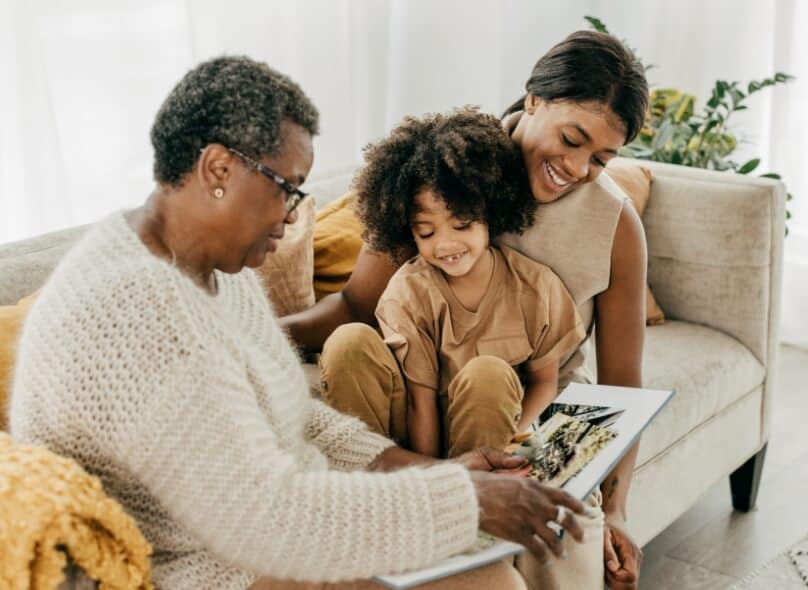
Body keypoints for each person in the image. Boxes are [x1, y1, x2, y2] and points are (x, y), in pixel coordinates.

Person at [9, 56, 588, 590]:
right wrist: (462, 500)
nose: (292, 217)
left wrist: (436, 474)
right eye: (287, 190)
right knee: (488, 582)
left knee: (512, 558)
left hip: (260, 535)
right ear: (218, 169)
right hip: (210, 568)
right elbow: (266, 517)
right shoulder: (136, 309)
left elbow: (294, 414)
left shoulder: (213, 268)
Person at [281, 30, 649, 590]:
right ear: (534, 99)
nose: (577, 167)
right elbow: (356, 305)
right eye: (571, 139)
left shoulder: (615, 225)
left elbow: (621, 387)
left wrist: (617, 509)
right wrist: (262, 335)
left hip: (533, 426)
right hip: (415, 403)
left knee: (570, 548)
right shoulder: (444, 168)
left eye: (601, 158)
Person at [328, 108, 585, 460]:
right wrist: (434, 476)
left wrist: (515, 447)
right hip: (411, 444)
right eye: (426, 233)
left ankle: (478, 486)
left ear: (489, 213)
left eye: (462, 225)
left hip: (490, 436)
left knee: (488, 372)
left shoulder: (536, 287)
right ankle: (370, 476)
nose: (446, 245)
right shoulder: (408, 292)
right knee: (347, 341)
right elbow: (420, 403)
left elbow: (544, 383)